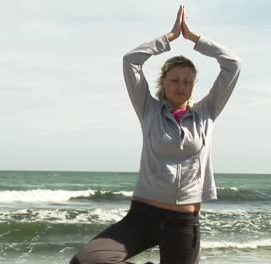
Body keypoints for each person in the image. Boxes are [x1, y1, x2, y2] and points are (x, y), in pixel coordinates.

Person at [70, 3, 241, 264]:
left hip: (184, 221)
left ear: (193, 85)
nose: (181, 86)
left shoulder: (207, 112)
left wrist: (195, 38)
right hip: (143, 216)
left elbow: (232, 64)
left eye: (187, 81)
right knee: (87, 261)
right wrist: (169, 38)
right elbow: (131, 61)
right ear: (163, 82)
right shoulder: (148, 109)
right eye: (174, 80)